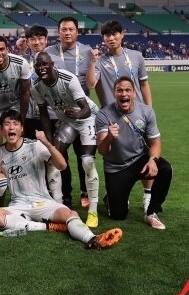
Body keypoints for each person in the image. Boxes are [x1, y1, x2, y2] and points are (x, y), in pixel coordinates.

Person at [0, 111, 122, 250]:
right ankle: (48, 226)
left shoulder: (35, 145)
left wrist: (47, 143)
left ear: (22, 128)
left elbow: (62, 165)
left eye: (15, 124)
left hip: (42, 202)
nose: (11, 127)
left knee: (71, 214)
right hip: (18, 204)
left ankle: (93, 239)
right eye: (7, 124)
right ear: (1, 129)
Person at [31, 52, 101, 228]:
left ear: (52, 64)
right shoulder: (37, 87)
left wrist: (77, 114)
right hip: (67, 121)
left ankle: (93, 211)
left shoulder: (68, 79)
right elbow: (44, 115)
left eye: (45, 64)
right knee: (53, 160)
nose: (41, 68)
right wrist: (49, 142)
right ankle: (57, 206)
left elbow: (86, 108)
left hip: (87, 118)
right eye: (38, 66)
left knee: (87, 161)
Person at [96, 77, 172, 230]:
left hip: (139, 160)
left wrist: (152, 159)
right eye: (120, 90)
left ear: (134, 93)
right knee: (118, 215)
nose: (124, 94)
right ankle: (111, 198)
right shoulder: (104, 115)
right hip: (117, 167)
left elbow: (155, 142)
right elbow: (102, 151)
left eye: (127, 90)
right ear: (114, 93)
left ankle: (152, 212)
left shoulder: (146, 111)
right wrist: (109, 138)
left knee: (165, 169)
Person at [46, 16, 99, 210]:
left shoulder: (86, 52)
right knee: (61, 156)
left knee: (83, 155)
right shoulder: (49, 52)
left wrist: (93, 62)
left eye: (71, 29)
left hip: (84, 112)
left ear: (77, 32)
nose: (67, 32)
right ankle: (65, 194)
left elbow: (92, 84)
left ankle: (85, 192)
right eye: (63, 29)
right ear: (58, 32)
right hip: (61, 113)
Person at [95, 20, 151, 109]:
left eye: (114, 34)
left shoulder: (136, 56)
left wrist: (149, 109)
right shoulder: (99, 61)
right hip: (112, 113)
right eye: (107, 35)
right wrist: (91, 62)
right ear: (103, 38)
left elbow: (144, 84)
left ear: (122, 34)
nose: (111, 38)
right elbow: (91, 85)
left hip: (137, 111)